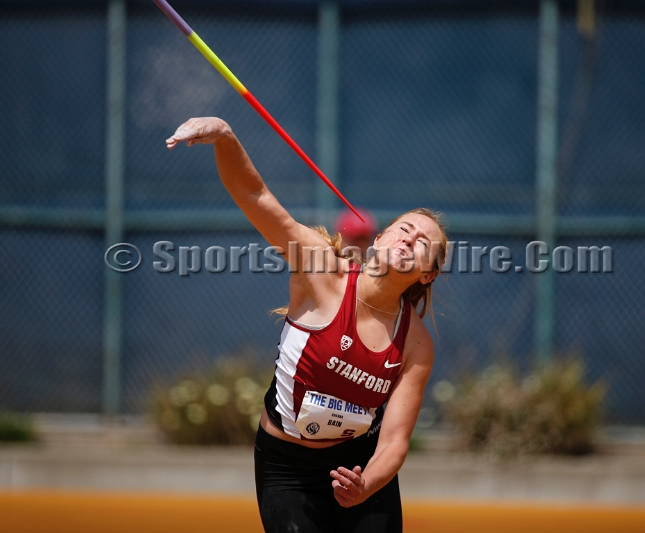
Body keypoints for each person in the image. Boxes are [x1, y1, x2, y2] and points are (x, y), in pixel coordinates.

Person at [166, 117, 448, 533]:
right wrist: (225, 135)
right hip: (287, 467)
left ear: (427, 274)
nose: (409, 238)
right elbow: (255, 195)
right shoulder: (322, 270)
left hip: (357, 465)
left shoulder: (416, 344)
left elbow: (393, 442)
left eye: (424, 243)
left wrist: (365, 485)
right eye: (404, 228)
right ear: (382, 236)